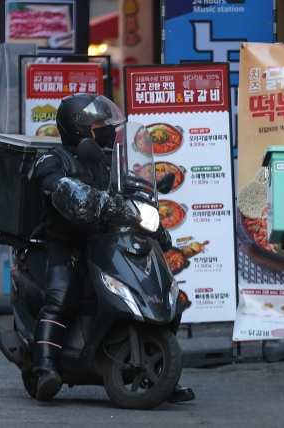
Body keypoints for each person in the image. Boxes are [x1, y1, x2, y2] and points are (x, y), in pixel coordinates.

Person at [32, 93, 194, 403]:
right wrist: (84, 196)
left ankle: (163, 373)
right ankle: (46, 369)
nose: (107, 131)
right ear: (80, 130)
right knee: (61, 297)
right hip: (68, 246)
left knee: (154, 290)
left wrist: (149, 203)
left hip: (106, 243)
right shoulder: (52, 160)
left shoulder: (107, 160)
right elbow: (62, 189)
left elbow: (132, 187)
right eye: (99, 127)